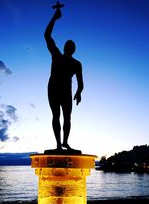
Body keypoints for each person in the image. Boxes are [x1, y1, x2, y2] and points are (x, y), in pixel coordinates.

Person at [44, 7, 84, 150]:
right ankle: (58, 145)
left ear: (73, 50)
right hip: (53, 89)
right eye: (67, 46)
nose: (68, 48)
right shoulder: (56, 55)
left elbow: (81, 83)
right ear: (65, 47)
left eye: (71, 47)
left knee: (67, 117)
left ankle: (65, 142)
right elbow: (47, 35)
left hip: (66, 91)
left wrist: (79, 93)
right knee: (56, 115)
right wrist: (54, 18)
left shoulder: (76, 64)